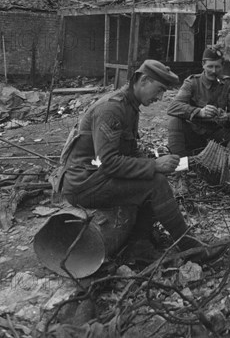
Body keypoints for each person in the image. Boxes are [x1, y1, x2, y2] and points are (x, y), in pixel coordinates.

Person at [58, 60, 221, 263]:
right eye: (160, 89)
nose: (160, 97)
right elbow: (109, 161)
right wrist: (154, 165)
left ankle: (139, 245)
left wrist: (157, 163)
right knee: (155, 183)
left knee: (154, 176)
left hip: (97, 177)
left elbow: (129, 152)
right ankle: (192, 249)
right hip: (83, 185)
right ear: (143, 80)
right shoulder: (112, 108)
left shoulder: (130, 106)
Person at [167, 46, 230, 157]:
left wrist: (226, 117)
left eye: (217, 67)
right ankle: (179, 164)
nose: (213, 71)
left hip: (218, 134)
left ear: (223, 66)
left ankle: (227, 158)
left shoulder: (228, 84)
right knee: (174, 120)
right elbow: (173, 107)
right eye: (210, 66)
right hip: (195, 133)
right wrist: (199, 112)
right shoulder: (192, 82)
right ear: (203, 65)